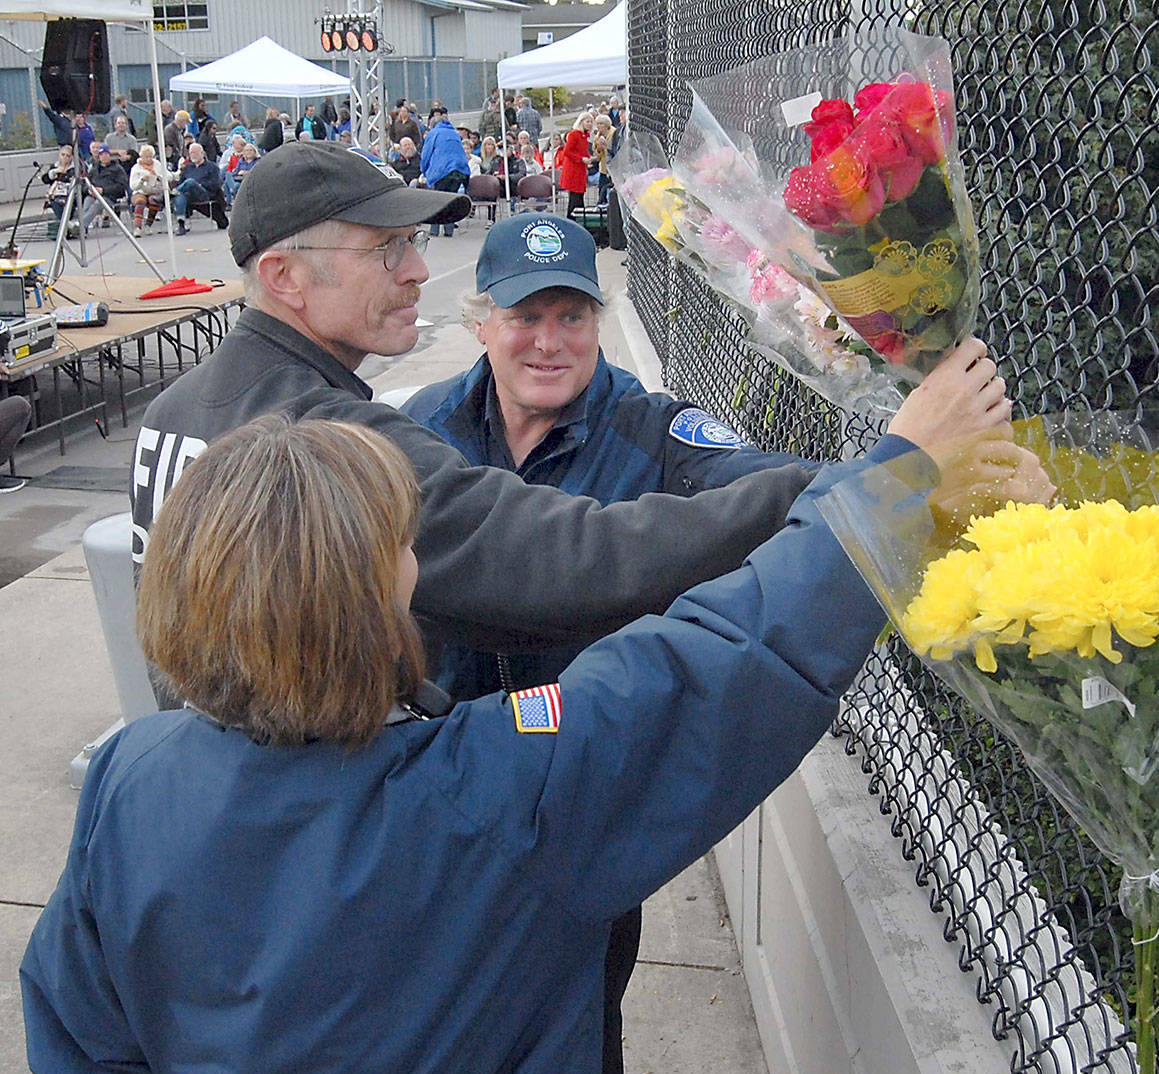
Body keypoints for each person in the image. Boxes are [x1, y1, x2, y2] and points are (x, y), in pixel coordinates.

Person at [24, 320, 1020, 1074]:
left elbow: (89, 1053)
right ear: (377, 594)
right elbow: (733, 648)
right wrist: (896, 475)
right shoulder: (500, 789)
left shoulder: (132, 776)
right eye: (399, 546)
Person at [400, 213, 829, 1074]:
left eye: (573, 317)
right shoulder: (419, 430)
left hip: (579, 802)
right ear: (481, 321)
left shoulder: (651, 428)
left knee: (573, 1043)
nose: (549, 342)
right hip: (441, 792)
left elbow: (762, 481)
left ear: (600, 322)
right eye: (525, 315)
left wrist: (882, 482)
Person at [127, 142, 823, 681]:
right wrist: (846, 490)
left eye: (573, 315)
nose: (417, 270)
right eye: (386, 247)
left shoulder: (174, 410)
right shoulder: (330, 442)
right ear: (285, 277)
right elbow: (556, 562)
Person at [419, 109, 470, 237]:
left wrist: (423, 170)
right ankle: (449, 230)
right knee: (451, 199)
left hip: (441, 171)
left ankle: (434, 230)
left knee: (436, 200)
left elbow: (426, 154)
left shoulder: (433, 133)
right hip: (460, 170)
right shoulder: (454, 133)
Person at [171, 142, 227, 234]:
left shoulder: (212, 167)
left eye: (196, 152)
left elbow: (215, 184)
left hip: (205, 194)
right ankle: (181, 225)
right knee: (180, 196)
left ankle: (171, 195)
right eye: (191, 153)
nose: (193, 155)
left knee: (190, 182)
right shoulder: (188, 167)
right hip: (189, 195)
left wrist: (200, 184)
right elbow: (181, 182)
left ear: (202, 153)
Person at [80, 146, 129, 230]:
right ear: (99, 157)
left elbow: (121, 186)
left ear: (109, 155)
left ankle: (80, 227)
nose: (104, 156)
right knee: (87, 202)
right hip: (93, 194)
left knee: (97, 204)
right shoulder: (94, 170)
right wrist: (89, 190)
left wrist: (103, 190)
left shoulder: (117, 169)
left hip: (110, 197)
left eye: (106, 154)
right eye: (101, 155)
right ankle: (83, 228)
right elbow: (85, 183)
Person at [129, 144, 167, 235]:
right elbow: (133, 186)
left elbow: (166, 176)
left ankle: (148, 225)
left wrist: (159, 178)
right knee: (140, 200)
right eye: (146, 157)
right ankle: (138, 227)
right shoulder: (136, 168)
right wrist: (141, 180)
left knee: (153, 200)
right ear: (141, 156)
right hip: (140, 191)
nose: (149, 159)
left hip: (154, 190)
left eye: (151, 156)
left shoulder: (157, 165)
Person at [561, 113, 593, 217]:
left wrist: (588, 158)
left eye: (591, 122)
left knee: (579, 196)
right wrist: (581, 159)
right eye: (587, 121)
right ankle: (573, 218)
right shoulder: (574, 134)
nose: (590, 124)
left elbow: (582, 150)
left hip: (580, 169)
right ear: (581, 122)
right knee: (575, 197)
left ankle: (577, 218)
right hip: (573, 170)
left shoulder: (584, 136)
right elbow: (567, 151)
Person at [40, 145, 77, 222]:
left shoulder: (75, 169)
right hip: (56, 197)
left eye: (68, 155)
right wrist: (54, 172)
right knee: (56, 205)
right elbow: (45, 180)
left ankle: (67, 226)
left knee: (68, 208)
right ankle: (66, 225)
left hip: (70, 196)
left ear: (71, 157)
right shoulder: (54, 167)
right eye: (63, 154)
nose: (65, 157)